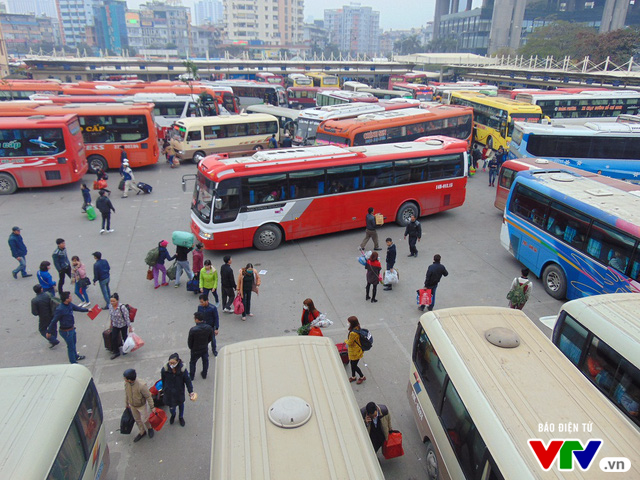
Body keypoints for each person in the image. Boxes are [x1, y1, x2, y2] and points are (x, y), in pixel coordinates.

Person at [46, 291, 88, 364]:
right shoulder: (60, 309)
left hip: (71, 328)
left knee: (73, 344)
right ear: (66, 299)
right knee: (71, 347)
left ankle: (75, 356)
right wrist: (49, 331)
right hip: (66, 331)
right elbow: (54, 321)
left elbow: (78, 308)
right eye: (70, 297)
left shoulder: (69, 305)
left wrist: (87, 310)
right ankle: (73, 362)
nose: (71, 297)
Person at [161, 353, 195, 427]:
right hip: (169, 394)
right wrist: (164, 389)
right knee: (172, 409)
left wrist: (191, 391)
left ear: (178, 362)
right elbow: (163, 380)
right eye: (170, 363)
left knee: (181, 405)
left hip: (179, 392)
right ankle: (173, 415)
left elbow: (188, 381)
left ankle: (180, 417)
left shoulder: (182, 370)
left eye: (173, 363)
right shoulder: (165, 370)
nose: (172, 364)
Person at [123, 369, 156, 442]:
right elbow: (127, 394)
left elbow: (148, 396)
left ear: (129, 379)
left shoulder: (141, 386)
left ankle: (149, 428)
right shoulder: (127, 384)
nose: (124, 379)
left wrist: (152, 407)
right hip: (132, 405)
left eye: (125, 378)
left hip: (141, 405)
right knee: (137, 420)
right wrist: (126, 403)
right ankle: (142, 431)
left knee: (145, 419)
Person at [188, 312, 214, 379]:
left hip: (195, 349)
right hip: (204, 348)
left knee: (193, 362)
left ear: (197, 319)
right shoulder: (209, 327)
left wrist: (191, 347)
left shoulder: (193, 330)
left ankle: (192, 376)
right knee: (205, 361)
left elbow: (190, 342)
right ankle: (204, 374)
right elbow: (211, 338)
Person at [108, 293, 132, 360]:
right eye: (111, 301)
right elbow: (111, 316)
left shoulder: (122, 307)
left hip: (123, 324)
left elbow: (127, 317)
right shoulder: (110, 306)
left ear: (117, 300)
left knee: (125, 337)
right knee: (114, 338)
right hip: (115, 325)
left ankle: (126, 349)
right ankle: (116, 352)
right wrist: (111, 324)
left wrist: (130, 326)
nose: (112, 303)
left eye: (114, 301)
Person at [345, 316, 366, 384]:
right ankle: (353, 376)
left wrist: (346, 341)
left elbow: (350, 343)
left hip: (355, 351)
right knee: (352, 364)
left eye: (349, 322)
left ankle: (362, 377)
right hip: (357, 349)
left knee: (354, 365)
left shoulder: (353, 333)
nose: (348, 323)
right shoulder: (357, 327)